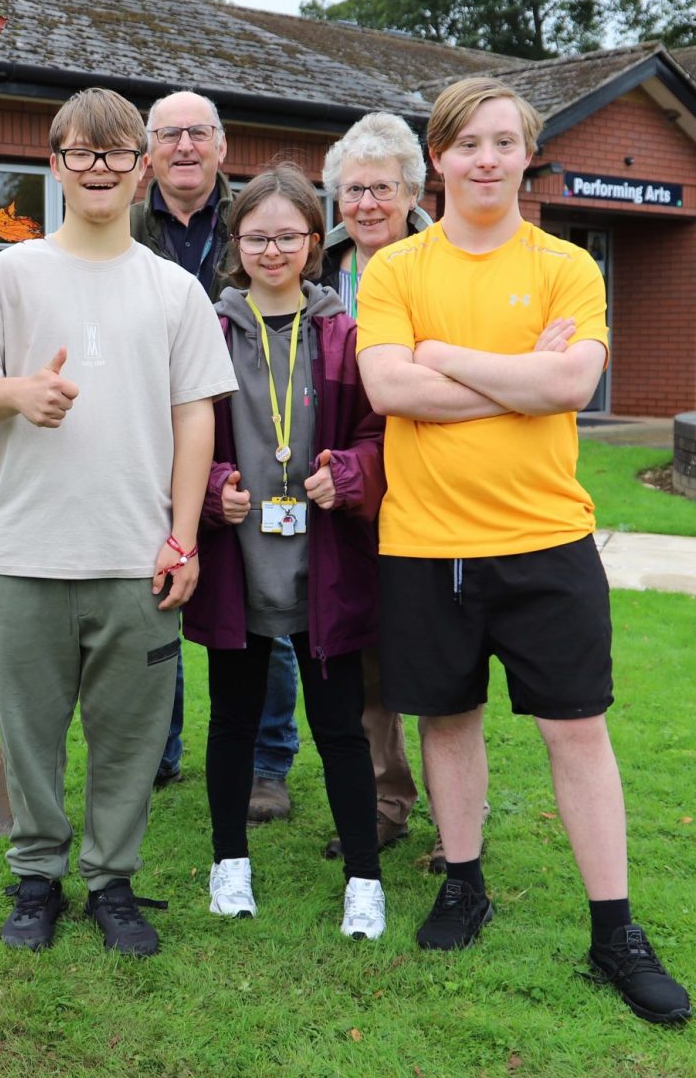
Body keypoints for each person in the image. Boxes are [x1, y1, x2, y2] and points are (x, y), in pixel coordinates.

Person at [355, 78, 693, 1022]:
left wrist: (444, 358)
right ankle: (463, 879)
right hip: (426, 542)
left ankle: (613, 928)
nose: (487, 159)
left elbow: (574, 383)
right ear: (439, 156)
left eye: (505, 142)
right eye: (468, 144)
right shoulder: (393, 271)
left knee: (575, 729)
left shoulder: (567, 266)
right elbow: (389, 391)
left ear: (526, 154)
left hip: (548, 538)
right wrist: (520, 379)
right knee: (448, 717)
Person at [0, 87, 235, 958]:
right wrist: (19, 393)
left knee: (130, 738)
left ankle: (112, 881)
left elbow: (196, 417)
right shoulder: (7, 274)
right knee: (29, 731)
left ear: (142, 168)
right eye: (81, 153)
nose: (99, 169)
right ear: (55, 163)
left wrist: (183, 534)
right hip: (28, 550)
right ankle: (37, 875)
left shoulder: (176, 290)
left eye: (115, 154)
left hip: (134, 554)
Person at [183, 163, 388, 937]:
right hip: (239, 562)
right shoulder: (206, 329)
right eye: (256, 236)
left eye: (289, 236)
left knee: (341, 727)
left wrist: (350, 473)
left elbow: (378, 435)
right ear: (236, 242)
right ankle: (228, 863)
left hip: (321, 568)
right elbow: (178, 433)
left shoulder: (343, 332)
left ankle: (364, 879)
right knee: (232, 722)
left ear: (313, 239)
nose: (273, 251)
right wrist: (212, 489)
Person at [132, 89, 303, 824]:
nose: (184, 146)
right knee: (155, 595)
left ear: (222, 146)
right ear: (149, 151)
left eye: (198, 132)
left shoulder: (253, 217)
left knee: (267, 601)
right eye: (168, 134)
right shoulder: (125, 224)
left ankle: (268, 763)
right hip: (146, 432)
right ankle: (157, 751)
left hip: (251, 431)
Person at [314, 111, 435, 865]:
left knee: (437, 651)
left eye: (380, 188)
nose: (365, 204)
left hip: (430, 473)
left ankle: (462, 821)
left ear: (412, 191)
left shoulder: (444, 258)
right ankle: (386, 802)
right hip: (345, 481)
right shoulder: (319, 266)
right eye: (352, 189)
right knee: (363, 656)